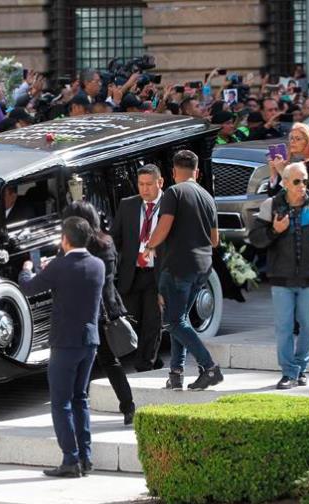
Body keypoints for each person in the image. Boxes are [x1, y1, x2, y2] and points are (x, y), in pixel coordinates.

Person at [19, 217, 104, 478]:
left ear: (64, 240)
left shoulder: (59, 266)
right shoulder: (98, 265)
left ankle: (70, 459)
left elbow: (29, 287)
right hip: (89, 341)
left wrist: (26, 268)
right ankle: (86, 457)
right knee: (80, 398)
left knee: (61, 403)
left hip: (64, 343)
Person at [249, 162, 309, 388]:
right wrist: (274, 231)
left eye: (305, 180)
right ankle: (288, 372)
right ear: (285, 183)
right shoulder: (271, 205)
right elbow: (256, 238)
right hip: (281, 279)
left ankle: (301, 368)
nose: (302, 185)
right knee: (284, 327)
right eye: (297, 181)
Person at [143, 150, 223, 391]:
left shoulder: (173, 193)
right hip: (203, 267)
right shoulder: (207, 196)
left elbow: (164, 226)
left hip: (178, 266)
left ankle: (209, 368)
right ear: (196, 172)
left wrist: (150, 245)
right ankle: (176, 373)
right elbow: (215, 239)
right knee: (182, 319)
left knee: (174, 322)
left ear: (174, 171)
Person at [63, 202, 135, 425]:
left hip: (84, 312)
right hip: (106, 309)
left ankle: (75, 412)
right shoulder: (107, 243)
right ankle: (128, 406)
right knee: (109, 361)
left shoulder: (78, 249)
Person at [112, 164, 164, 372]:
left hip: (157, 274)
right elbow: (115, 239)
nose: (145, 189)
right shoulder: (128, 205)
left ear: (160, 182)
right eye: (141, 184)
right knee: (134, 321)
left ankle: (145, 366)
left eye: (149, 184)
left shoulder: (171, 205)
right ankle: (153, 359)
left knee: (153, 322)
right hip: (132, 273)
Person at [268, 122, 309, 201]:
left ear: (308, 142)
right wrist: (274, 173)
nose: (293, 141)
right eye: (291, 138)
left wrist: (282, 171)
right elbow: (272, 194)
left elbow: (303, 196)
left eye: (298, 139)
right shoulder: (285, 163)